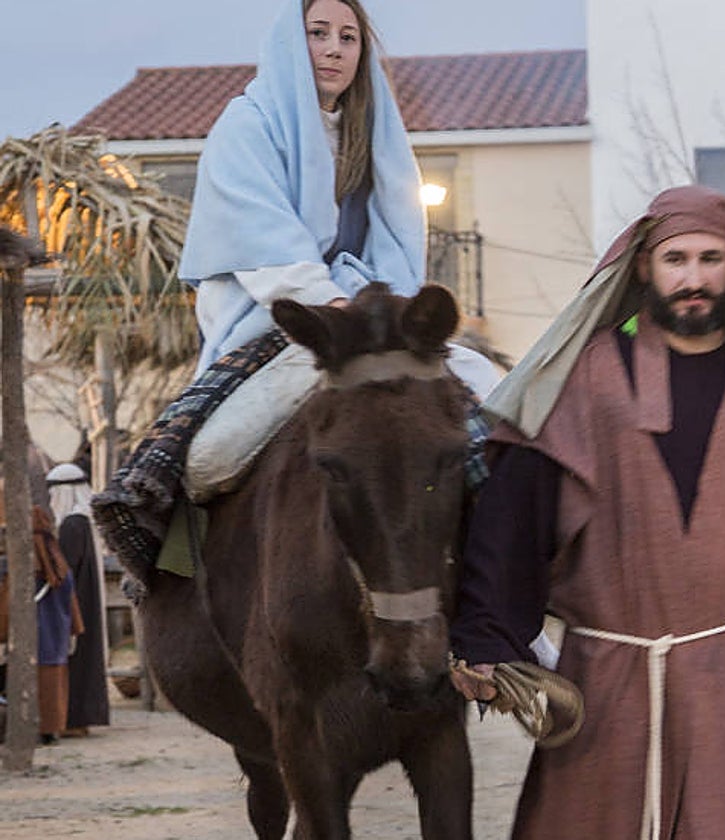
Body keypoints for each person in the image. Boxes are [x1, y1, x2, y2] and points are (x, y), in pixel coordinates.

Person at [449, 185, 725, 840]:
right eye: (676, 259)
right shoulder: (589, 378)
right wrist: (485, 639)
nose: (693, 279)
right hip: (607, 692)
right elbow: (511, 521)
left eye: (710, 259)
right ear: (645, 268)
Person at [96, 0, 497, 586]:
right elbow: (263, 239)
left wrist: (382, 314)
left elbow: (396, 234)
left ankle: (503, 595)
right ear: (291, 40)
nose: (334, 48)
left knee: (491, 401)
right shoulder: (246, 125)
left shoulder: (374, 132)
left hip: (373, 321)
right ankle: (176, 584)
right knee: (206, 458)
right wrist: (332, 309)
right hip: (275, 323)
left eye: (348, 37)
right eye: (318, 33)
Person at [47, 463, 110, 735]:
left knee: (77, 658)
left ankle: (74, 720)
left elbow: (65, 566)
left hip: (75, 603)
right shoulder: (83, 519)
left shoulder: (74, 523)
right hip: (82, 599)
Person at [32, 503, 85, 745]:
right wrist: (75, 627)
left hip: (42, 631)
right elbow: (68, 592)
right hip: (56, 632)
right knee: (52, 676)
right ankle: (51, 729)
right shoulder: (57, 557)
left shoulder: (33, 560)